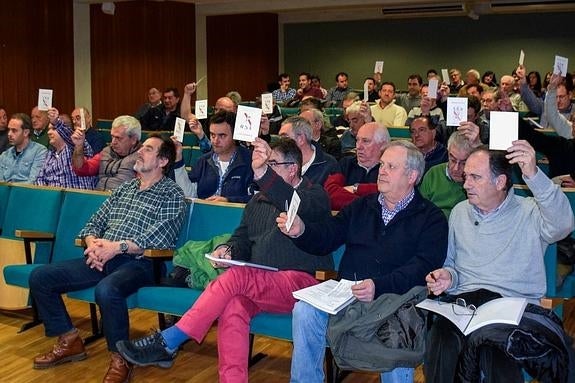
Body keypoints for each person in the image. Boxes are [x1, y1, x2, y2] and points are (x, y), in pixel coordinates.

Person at [116, 137, 334, 383]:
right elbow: (241, 238)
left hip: (301, 283)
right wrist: (226, 250)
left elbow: (292, 201)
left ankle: (170, 340)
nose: (265, 169)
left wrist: (263, 175)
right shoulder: (257, 201)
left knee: (238, 278)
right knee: (233, 307)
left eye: (272, 164)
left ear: (292, 168)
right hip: (260, 283)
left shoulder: (314, 195)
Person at [279, 139, 448, 383]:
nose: (382, 171)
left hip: (396, 298)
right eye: (382, 165)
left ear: (412, 176)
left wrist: (379, 286)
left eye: (391, 166)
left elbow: (424, 266)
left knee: (399, 331)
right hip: (349, 291)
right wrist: (301, 230)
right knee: (304, 310)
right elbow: (328, 235)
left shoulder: (431, 217)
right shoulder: (361, 207)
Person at [29, 133, 186, 383]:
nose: (139, 153)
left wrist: (116, 247)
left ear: (163, 161)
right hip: (103, 257)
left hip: (142, 263)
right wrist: (92, 244)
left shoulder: (172, 194)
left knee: (107, 289)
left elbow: (160, 237)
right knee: (40, 277)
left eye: (147, 149)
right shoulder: (125, 189)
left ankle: (120, 357)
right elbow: (94, 222)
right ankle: (69, 340)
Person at [424, 142, 574, 383]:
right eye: (465, 177)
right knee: (441, 338)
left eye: (475, 177)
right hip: (466, 305)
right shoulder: (460, 212)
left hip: (513, 307)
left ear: (500, 182)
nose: (465, 184)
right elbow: (452, 264)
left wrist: (534, 176)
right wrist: (448, 277)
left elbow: (564, 223)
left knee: (494, 348)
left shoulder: (531, 213)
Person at [174, 110, 254, 202]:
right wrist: (178, 158)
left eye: (222, 136)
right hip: (205, 214)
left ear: (234, 136)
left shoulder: (250, 161)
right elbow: (188, 194)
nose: (215, 140)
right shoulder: (203, 161)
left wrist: (229, 201)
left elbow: (259, 198)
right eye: (212, 135)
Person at [323, 122, 389, 210]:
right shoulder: (346, 163)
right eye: (357, 140)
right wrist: (368, 205)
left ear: (383, 145)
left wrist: (356, 188)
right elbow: (329, 193)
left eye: (365, 141)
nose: (358, 146)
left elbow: (390, 194)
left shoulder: (391, 168)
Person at [71, 115, 142, 191]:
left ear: (134, 139)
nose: (113, 142)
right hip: (99, 197)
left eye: (118, 138)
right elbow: (81, 169)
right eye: (112, 137)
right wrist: (79, 146)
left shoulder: (143, 157)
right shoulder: (107, 152)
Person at [35, 108, 97, 189]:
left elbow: (68, 135)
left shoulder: (78, 145)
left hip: (74, 197)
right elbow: (40, 178)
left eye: (53, 129)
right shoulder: (50, 153)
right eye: (48, 129)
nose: (49, 132)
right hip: (52, 197)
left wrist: (56, 122)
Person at [419, 132, 476, 217]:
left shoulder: (477, 181)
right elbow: (421, 210)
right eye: (453, 160)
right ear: (448, 153)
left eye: (463, 163)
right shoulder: (433, 174)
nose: (456, 168)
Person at [278, 116, 338, 185]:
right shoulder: (279, 163)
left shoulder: (328, 165)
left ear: (301, 139)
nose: (280, 142)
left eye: (284, 137)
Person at [0, 113, 47, 183]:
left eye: (14, 130)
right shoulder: (4, 155)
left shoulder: (39, 151)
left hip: (26, 192)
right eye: (9, 130)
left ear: (26, 132)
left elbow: (33, 182)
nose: (9, 134)